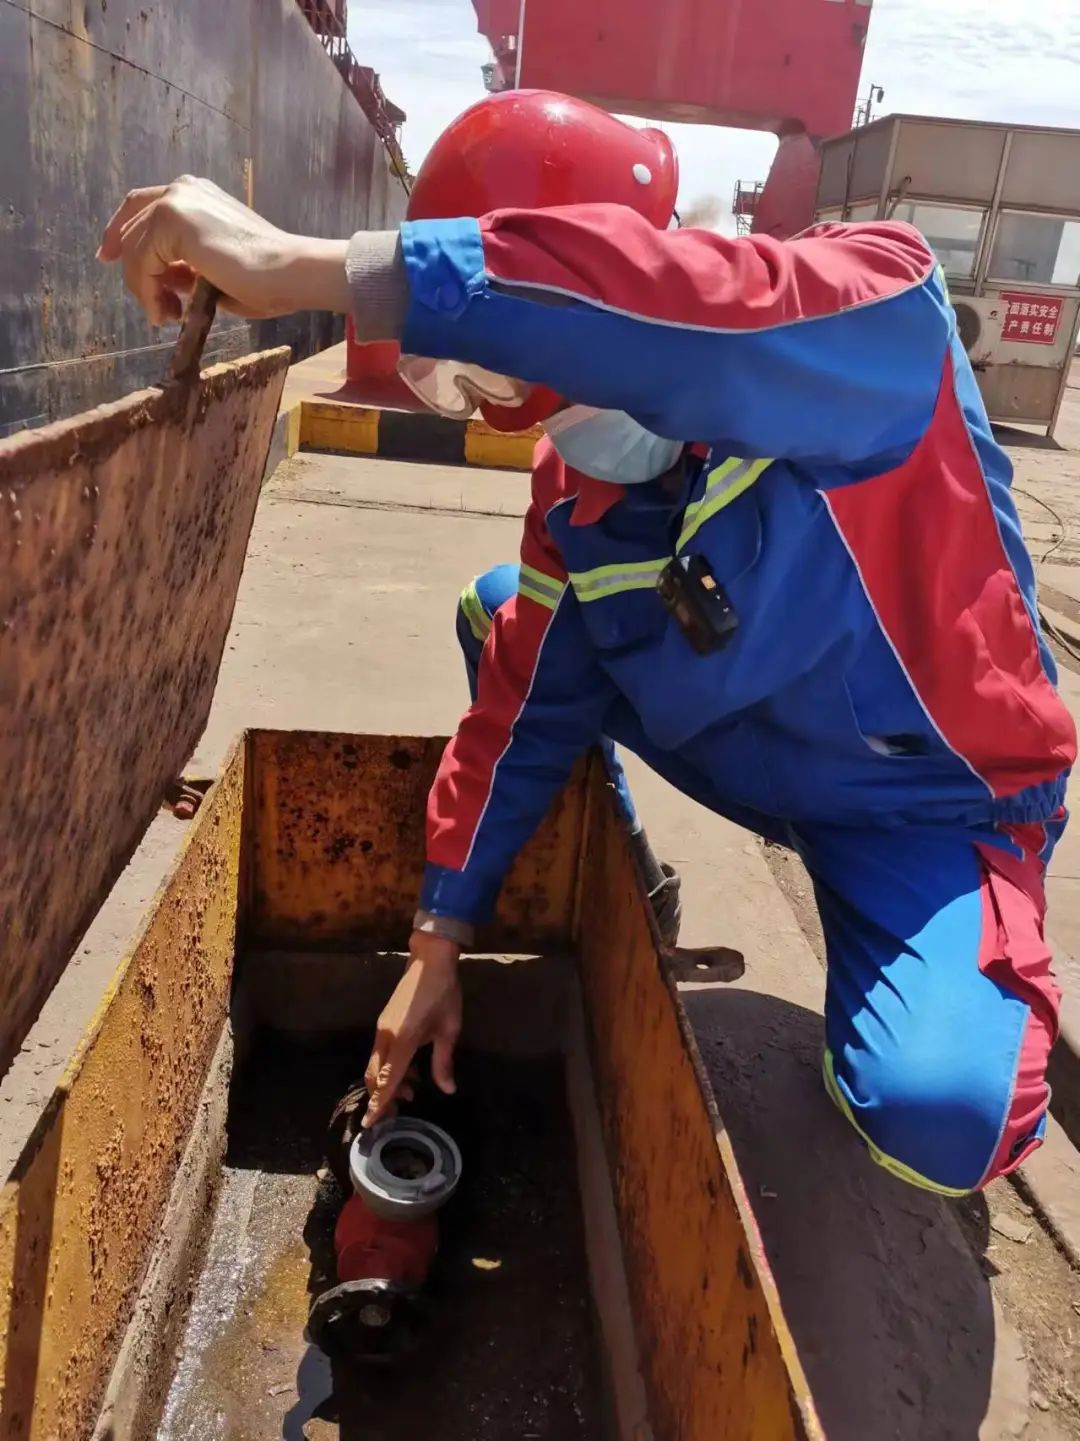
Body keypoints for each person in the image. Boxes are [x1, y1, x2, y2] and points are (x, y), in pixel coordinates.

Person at [100, 90, 1074, 1197]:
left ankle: (948, 954)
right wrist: (437, 938)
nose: (516, 411)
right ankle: (628, 878)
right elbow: (521, 712)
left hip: (927, 806)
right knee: (504, 617)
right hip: (756, 757)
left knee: (937, 1121)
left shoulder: (876, 319)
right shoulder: (579, 492)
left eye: (512, 367)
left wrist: (310, 269)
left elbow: (689, 312)